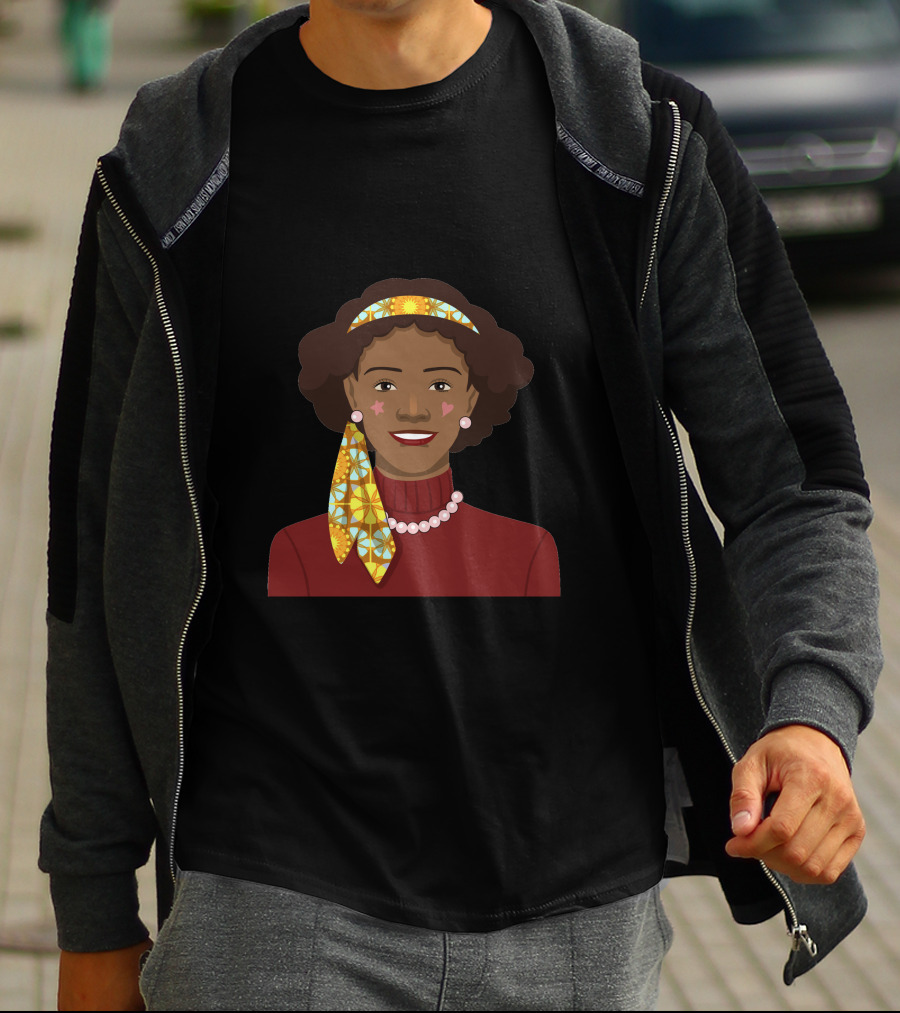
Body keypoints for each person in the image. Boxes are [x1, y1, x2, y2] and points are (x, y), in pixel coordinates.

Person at [41, 0, 880, 1010]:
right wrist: (93, 907)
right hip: (269, 899)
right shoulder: (175, 165)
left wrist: (813, 716)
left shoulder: (636, 138)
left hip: (581, 905)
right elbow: (90, 556)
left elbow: (796, 480)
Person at [269, 276, 560, 595]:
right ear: (352, 394)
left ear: (471, 398)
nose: (412, 410)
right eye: (385, 386)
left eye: (439, 386)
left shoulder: (529, 549)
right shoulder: (296, 548)